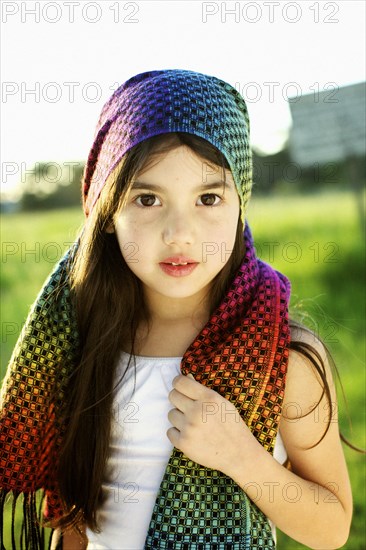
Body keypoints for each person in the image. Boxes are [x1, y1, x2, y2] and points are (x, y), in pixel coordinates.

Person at [0, 69, 353, 550]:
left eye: (208, 198)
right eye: (147, 199)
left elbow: (332, 528)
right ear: (107, 215)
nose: (179, 232)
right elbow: (77, 511)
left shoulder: (283, 353)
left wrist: (242, 457)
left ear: (239, 207)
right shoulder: (82, 335)